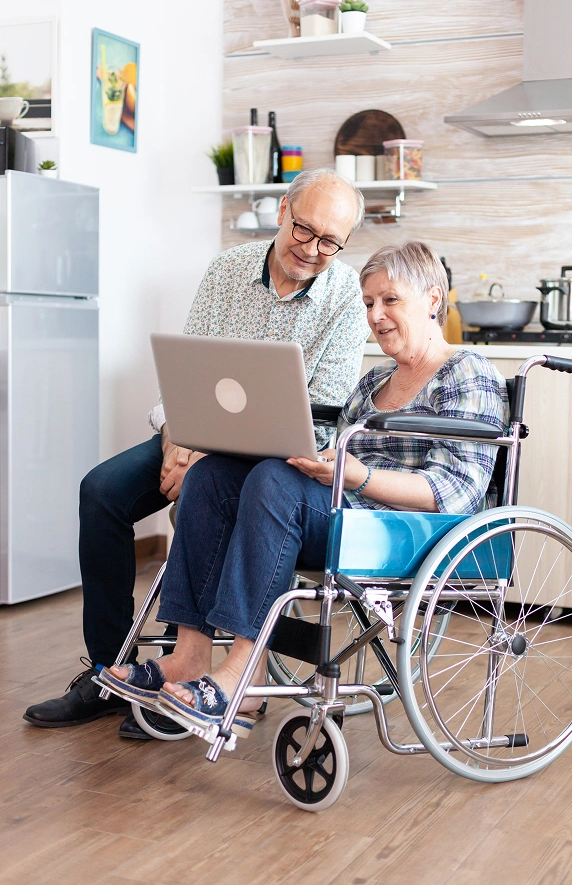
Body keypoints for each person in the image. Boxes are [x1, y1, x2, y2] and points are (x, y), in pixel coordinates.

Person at [100, 241, 509, 734]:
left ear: (433, 298)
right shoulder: (372, 382)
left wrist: (359, 476)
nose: (375, 316)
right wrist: (322, 463)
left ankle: (239, 676)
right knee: (212, 476)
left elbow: (457, 490)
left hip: (409, 529)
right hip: (346, 513)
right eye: (368, 303)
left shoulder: (468, 373)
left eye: (390, 300)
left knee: (275, 482)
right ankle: (189, 658)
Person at [24, 168, 370, 734]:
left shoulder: (345, 300)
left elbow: (320, 417)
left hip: (272, 461)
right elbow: (186, 374)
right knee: (102, 492)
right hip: (192, 436)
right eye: (305, 230)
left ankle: (202, 673)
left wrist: (210, 457)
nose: (312, 250)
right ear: (283, 211)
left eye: (330, 242)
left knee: (223, 489)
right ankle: (108, 666)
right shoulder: (228, 270)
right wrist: (177, 440)